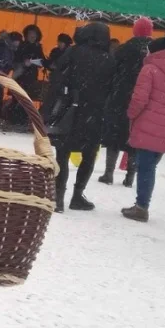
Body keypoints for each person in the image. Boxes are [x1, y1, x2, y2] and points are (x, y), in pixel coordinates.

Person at [41, 23, 115, 213]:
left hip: (70, 110)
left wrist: (49, 110)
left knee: (63, 154)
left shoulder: (73, 53)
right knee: (88, 156)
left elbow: (57, 80)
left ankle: (58, 197)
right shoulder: (109, 59)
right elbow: (112, 89)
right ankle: (77, 195)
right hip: (94, 114)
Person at [122, 33, 165, 223]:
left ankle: (141, 207)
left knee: (145, 167)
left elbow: (140, 99)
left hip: (148, 123)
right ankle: (142, 204)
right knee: (150, 167)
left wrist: (130, 114)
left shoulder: (149, 69)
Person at [99, 17, 153, 186]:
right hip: (144, 100)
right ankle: (130, 177)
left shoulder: (124, 49)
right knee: (135, 138)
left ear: (135, 31)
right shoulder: (155, 52)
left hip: (120, 98)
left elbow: (109, 71)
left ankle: (108, 174)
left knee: (114, 135)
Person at [13, 24, 45, 100]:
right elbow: (15, 60)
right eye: (30, 34)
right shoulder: (21, 46)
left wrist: (39, 63)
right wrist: (23, 63)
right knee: (18, 100)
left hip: (32, 77)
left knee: (28, 100)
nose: (33, 36)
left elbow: (43, 61)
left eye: (35, 34)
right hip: (20, 77)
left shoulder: (38, 47)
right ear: (26, 35)